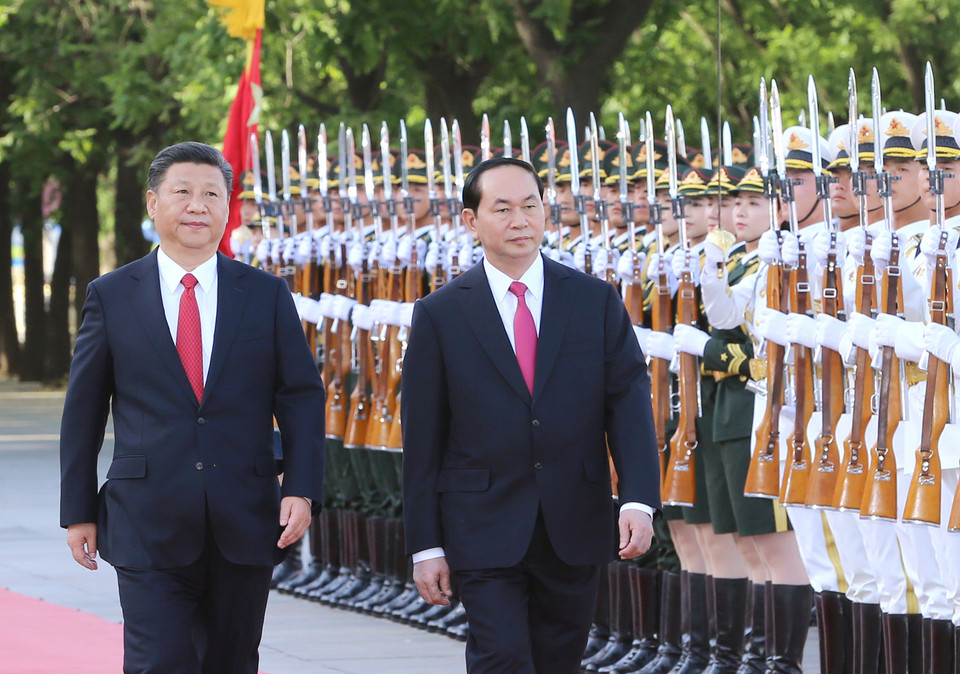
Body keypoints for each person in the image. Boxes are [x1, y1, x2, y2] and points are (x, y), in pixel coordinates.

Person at [59, 141, 326, 673]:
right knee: (157, 661)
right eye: (182, 192)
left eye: (212, 194)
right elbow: (83, 411)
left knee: (231, 661)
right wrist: (78, 511)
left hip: (244, 516)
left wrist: (301, 487)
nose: (197, 206)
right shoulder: (112, 295)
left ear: (228, 207)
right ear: (153, 202)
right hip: (146, 517)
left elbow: (300, 396)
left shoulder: (265, 294)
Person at [400, 156, 660, 673]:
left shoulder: (593, 300)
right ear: (472, 221)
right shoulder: (441, 313)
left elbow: (628, 404)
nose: (520, 221)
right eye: (502, 209)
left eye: (530, 206)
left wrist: (638, 500)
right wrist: (424, 545)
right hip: (481, 523)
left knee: (558, 660)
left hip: (574, 518)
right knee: (501, 657)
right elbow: (423, 440)